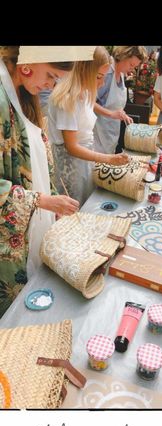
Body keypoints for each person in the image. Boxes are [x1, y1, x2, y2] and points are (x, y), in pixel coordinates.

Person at [0, 45, 93, 318]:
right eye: (51, 76)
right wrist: (41, 200)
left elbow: (38, 157)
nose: (50, 85)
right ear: (28, 64)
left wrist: (52, 200)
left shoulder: (21, 93)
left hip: (29, 226)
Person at [48, 46, 129, 206]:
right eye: (99, 77)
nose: (102, 83)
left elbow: (89, 110)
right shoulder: (67, 98)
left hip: (84, 161)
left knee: (87, 202)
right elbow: (72, 147)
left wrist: (111, 114)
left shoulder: (83, 93)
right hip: (71, 167)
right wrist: (107, 159)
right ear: (84, 70)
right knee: (74, 208)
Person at [93, 46, 148, 154]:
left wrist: (122, 115)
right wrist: (111, 114)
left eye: (135, 66)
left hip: (111, 135)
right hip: (98, 136)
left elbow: (115, 105)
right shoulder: (106, 73)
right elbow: (88, 102)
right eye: (131, 65)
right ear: (122, 56)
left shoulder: (121, 74)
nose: (132, 69)